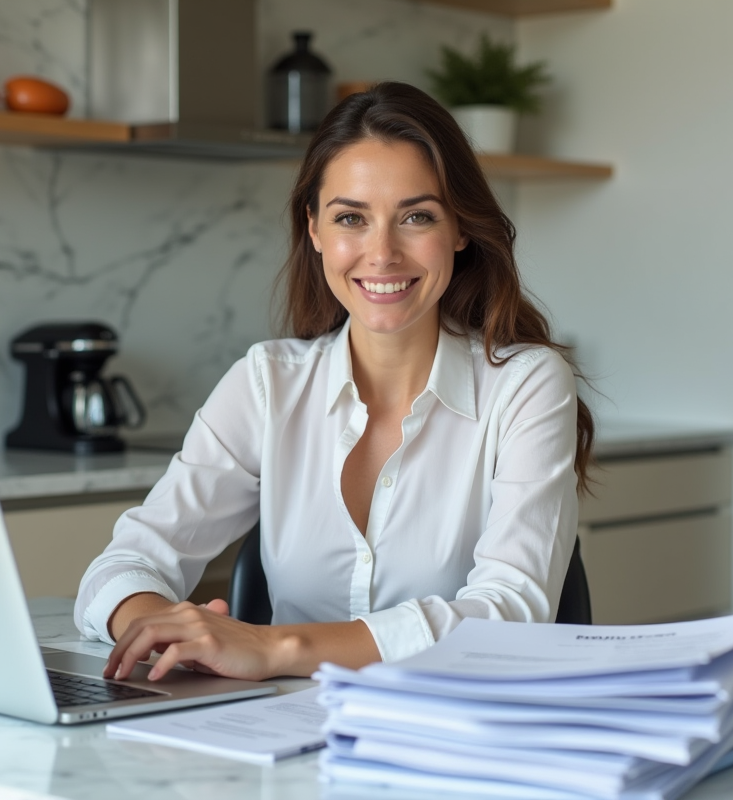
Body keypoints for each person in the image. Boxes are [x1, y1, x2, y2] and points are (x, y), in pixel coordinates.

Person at [74, 81, 594, 684]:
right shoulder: (267, 384)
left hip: (459, 739)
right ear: (315, 229)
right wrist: (164, 627)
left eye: (416, 217)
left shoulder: (525, 385)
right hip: (280, 738)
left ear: (460, 229)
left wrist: (278, 647)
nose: (382, 253)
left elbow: (511, 613)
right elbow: (127, 562)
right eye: (352, 217)